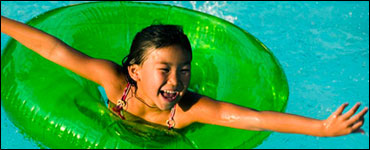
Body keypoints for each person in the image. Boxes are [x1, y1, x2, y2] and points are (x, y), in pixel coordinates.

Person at [1, 15, 368, 137]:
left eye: (184, 70)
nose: (176, 81)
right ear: (134, 71)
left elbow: (252, 119)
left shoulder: (188, 110)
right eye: (164, 71)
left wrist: (322, 128)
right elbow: (54, 50)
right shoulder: (114, 83)